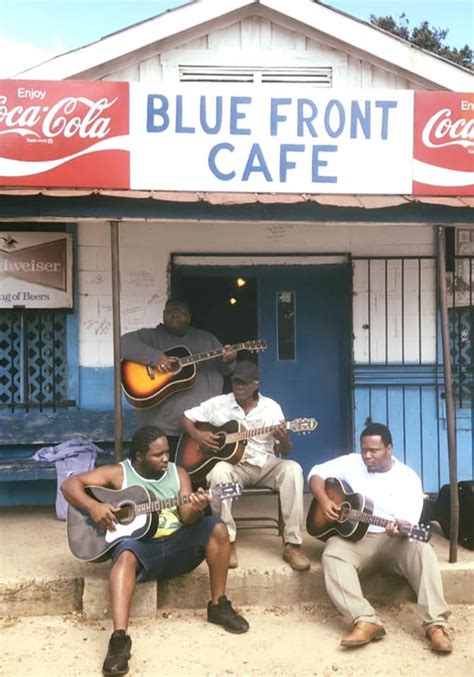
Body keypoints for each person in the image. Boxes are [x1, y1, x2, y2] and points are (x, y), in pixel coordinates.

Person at [61, 425, 249, 677]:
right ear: (139, 456)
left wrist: (198, 506)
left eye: (167, 452)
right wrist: (94, 507)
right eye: (157, 454)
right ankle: (119, 640)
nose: (165, 459)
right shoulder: (119, 474)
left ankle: (218, 605)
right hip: (141, 551)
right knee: (125, 550)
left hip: (176, 547)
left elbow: (187, 517)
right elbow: (69, 485)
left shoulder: (178, 473)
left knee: (216, 527)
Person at [308, 422, 453, 653]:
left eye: (374, 450)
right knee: (333, 553)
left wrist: (399, 528)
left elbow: (408, 524)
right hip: (356, 540)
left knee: (423, 551)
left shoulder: (408, 479)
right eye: (364, 449)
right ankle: (365, 621)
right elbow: (316, 473)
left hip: (393, 541)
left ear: (389, 449)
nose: (367, 455)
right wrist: (325, 501)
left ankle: (436, 625)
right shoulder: (352, 462)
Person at [182, 360, 311, 571]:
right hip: (235, 467)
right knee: (219, 473)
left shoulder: (271, 408)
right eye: (235, 382)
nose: (239, 387)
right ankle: (226, 541)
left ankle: (292, 545)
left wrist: (285, 438)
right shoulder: (219, 404)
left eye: (244, 383)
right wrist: (198, 435)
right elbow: (186, 417)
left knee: (293, 469)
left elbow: (285, 450)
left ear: (256, 384)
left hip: (265, 464)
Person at [121, 297, 236, 461]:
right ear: (163, 314)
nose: (175, 314)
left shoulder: (206, 339)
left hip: (199, 429)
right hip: (160, 427)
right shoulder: (150, 336)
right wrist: (155, 357)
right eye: (170, 311)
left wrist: (229, 360)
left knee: (195, 478)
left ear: (189, 317)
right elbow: (123, 343)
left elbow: (226, 370)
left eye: (180, 311)